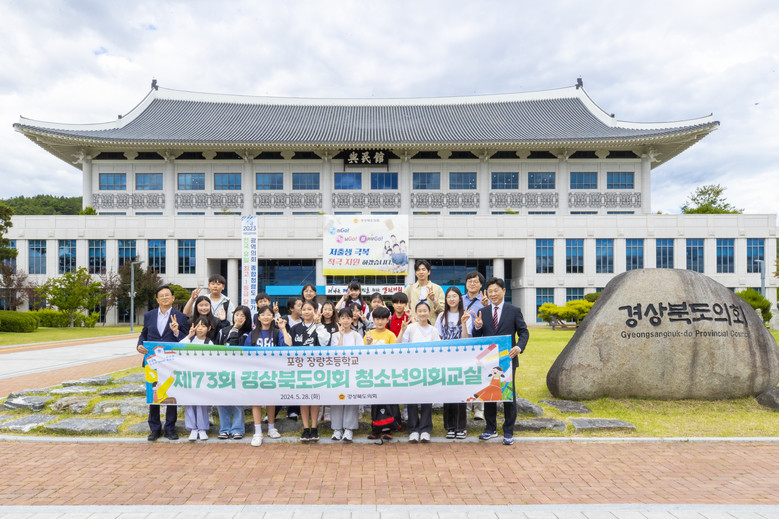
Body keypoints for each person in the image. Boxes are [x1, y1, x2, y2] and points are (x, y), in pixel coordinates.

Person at [472, 277, 530, 446]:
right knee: (490, 394)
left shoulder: (514, 311)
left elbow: (524, 332)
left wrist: (518, 347)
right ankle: (490, 428)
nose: (493, 294)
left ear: (503, 291)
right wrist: (477, 326)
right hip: (490, 361)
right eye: (490, 291)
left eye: (496, 290)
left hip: (508, 360)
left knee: (507, 396)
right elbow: (478, 338)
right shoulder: (484, 312)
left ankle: (508, 431)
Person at [136, 285, 190, 441]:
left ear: (173, 298)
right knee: (153, 393)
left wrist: (176, 331)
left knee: (171, 393)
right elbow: (144, 333)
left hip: (171, 362)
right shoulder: (149, 315)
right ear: (157, 299)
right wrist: (139, 345)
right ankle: (154, 429)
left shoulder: (180, 316)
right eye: (162, 295)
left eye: (167, 295)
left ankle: (170, 428)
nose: (165, 297)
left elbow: (186, 339)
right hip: (152, 361)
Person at [245, 305, 291, 446]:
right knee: (256, 401)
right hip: (256, 372)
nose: (266, 317)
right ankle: (258, 431)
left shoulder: (277, 333)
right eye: (263, 314)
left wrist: (283, 328)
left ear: (273, 317)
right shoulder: (252, 334)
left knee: (271, 400)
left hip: (272, 372)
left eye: (269, 314)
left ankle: (271, 427)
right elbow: (245, 354)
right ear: (258, 317)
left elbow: (288, 347)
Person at [288, 300, 331, 442]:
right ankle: (306, 428)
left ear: (315, 311)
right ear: (300, 311)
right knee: (304, 399)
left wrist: (318, 325)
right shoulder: (295, 328)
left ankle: (314, 428)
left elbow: (324, 342)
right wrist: (282, 328)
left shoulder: (320, 327)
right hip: (300, 368)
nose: (306, 312)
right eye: (304, 309)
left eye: (309, 309)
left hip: (316, 368)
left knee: (314, 399)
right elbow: (289, 345)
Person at [400, 300, 440, 443]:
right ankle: (413, 429)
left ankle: (425, 429)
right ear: (416, 313)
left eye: (425, 310)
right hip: (412, 369)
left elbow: (438, 350)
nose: (422, 313)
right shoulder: (411, 328)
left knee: (426, 400)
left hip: (428, 369)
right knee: (412, 399)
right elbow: (403, 346)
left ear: (429, 312)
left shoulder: (434, 330)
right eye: (420, 311)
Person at [435, 287, 471, 440]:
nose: (451, 299)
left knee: (460, 393)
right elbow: (438, 337)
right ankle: (449, 426)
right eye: (449, 296)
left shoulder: (465, 315)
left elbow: (466, 339)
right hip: (446, 360)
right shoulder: (441, 316)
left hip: (461, 359)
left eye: (454, 296)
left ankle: (461, 427)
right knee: (448, 392)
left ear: (460, 298)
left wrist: (463, 323)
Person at [216, 305, 253, 440]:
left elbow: (235, 347)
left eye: (243, 316)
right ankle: (224, 429)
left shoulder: (249, 333)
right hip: (222, 370)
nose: (239, 318)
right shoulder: (223, 331)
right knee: (222, 400)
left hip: (240, 370)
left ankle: (237, 429)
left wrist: (236, 329)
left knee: (238, 401)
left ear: (247, 318)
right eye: (237, 315)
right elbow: (217, 348)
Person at [365, 306, 401, 440]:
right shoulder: (369, 334)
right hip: (373, 372)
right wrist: (368, 343)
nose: (380, 322)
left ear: (387, 319)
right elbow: (364, 354)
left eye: (383, 319)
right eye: (377, 319)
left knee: (388, 400)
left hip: (386, 372)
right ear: (373, 319)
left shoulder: (390, 335)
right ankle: (375, 428)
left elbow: (394, 352)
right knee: (375, 400)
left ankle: (388, 429)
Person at [329, 307, 361, 443]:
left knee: (351, 398)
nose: (346, 320)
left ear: (352, 319)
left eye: (348, 318)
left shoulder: (357, 335)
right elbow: (336, 353)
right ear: (339, 319)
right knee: (337, 398)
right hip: (338, 372)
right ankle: (337, 429)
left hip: (352, 371)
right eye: (343, 318)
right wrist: (341, 335)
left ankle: (349, 428)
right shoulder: (335, 336)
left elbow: (361, 354)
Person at [180, 316, 213, 441]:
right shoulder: (190, 340)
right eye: (198, 325)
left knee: (201, 403)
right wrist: (189, 335)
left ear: (209, 328)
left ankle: (202, 428)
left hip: (202, 378)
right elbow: (178, 348)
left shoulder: (209, 343)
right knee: (189, 402)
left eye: (203, 326)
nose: (200, 328)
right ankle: (193, 429)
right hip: (189, 376)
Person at [463, 271, 489, 421]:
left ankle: (479, 409)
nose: (472, 284)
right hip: (464, 343)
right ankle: (466, 408)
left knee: (480, 376)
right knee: (466, 375)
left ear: (481, 285)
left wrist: (487, 306)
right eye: (469, 281)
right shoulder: (460, 300)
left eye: (475, 281)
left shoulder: (486, 301)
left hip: (480, 343)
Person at [403, 259, 445, 325]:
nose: (421, 272)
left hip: (432, 326)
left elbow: (443, 310)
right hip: (414, 326)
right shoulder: (409, 289)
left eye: (423, 269)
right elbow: (403, 307)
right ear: (415, 273)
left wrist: (434, 300)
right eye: (418, 270)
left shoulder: (437, 288)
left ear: (429, 272)